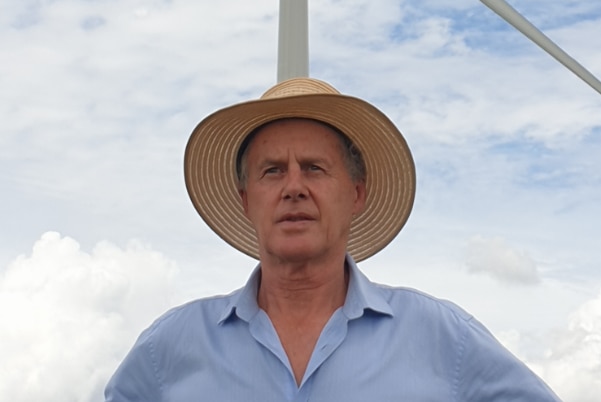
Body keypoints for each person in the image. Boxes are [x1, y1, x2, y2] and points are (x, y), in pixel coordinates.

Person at [104, 78, 561, 401]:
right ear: (246, 200)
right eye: (272, 171)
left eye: (315, 168)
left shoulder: (444, 339)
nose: (294, 186)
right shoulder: (169, 349)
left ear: (356, 193)